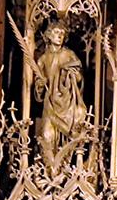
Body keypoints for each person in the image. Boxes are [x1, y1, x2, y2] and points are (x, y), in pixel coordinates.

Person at [34, 20, 87, 166]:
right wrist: (40, 85)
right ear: (49, 35)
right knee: (47, 135)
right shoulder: (43, 59)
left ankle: (64, 168)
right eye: (57, 32)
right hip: (50, 104)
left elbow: (79, 78)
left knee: (67, 140)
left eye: (62, 33)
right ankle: (50, 170)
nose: (60, 36)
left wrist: (73, 76)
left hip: (66, 103)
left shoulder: (70, 55)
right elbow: (38, 89)